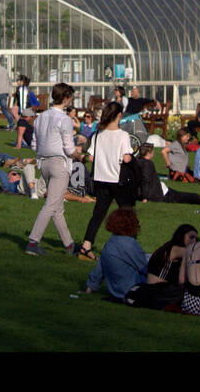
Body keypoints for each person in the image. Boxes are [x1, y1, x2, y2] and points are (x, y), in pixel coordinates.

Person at [25, 83, 85, 256]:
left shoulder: (41, 117)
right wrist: (79, 155)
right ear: (66, 98)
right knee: (51, 205)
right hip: (59, 163)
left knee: (57, 207)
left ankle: (69, 245)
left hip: (43, 163)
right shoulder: (65, 119)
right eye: (70, 98)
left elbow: (34, 144)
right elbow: (68, 148)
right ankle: (33, 242)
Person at [75, 101, 136, 261]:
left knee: (98, 214)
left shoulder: (98, 134)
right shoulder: (123, 136)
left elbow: (91, 156)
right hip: (117, 179)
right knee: (127, 213)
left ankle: (86, 246)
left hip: (100, 179)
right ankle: (130, 248)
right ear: (120, 116)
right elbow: (127, 158)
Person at [84, 209, 149, 300]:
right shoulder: (130, 244)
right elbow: (145, 268)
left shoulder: (109, 243)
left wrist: (88, 290)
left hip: (115, 291)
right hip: (133, 290)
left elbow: (98, 271)